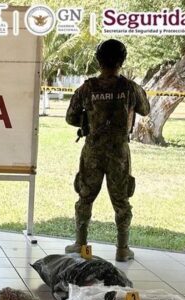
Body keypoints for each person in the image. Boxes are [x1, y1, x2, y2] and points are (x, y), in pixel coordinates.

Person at [65, 39, 150, 262]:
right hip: (119, 151)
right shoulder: (130, 88)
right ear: (122, 60)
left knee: (85, 197)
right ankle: (122, 249)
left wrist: (90, 121)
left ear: (98, 60)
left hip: (93, 150)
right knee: (121, 200)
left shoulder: (87, 88)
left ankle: (80, 244)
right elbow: (145, 109)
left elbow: (71, 117)